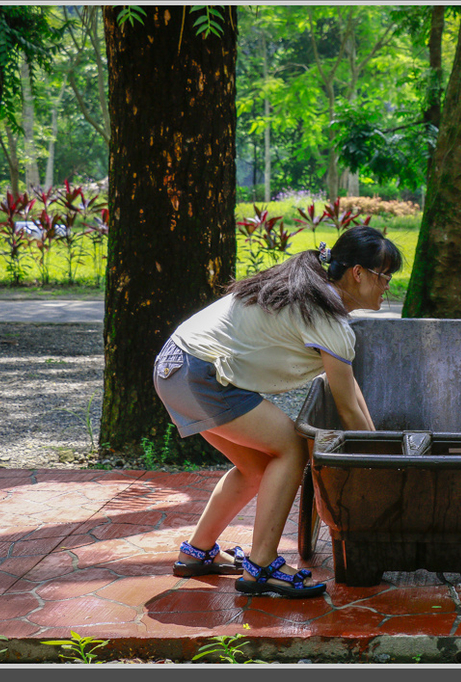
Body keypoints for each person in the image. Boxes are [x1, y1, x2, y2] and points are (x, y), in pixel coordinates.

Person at [153, 225, 401, 598]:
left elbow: (350, 393)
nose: (388, 287)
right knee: (292, 448)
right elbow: (348, 407)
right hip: (201, 372)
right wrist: (388, 471)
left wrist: (377, 447)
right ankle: (263, 566)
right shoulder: (328, 317)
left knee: (256, 467)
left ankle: (197, 552)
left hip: (172, 366)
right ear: (358, 273)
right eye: (385, 277)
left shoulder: (308, 288)